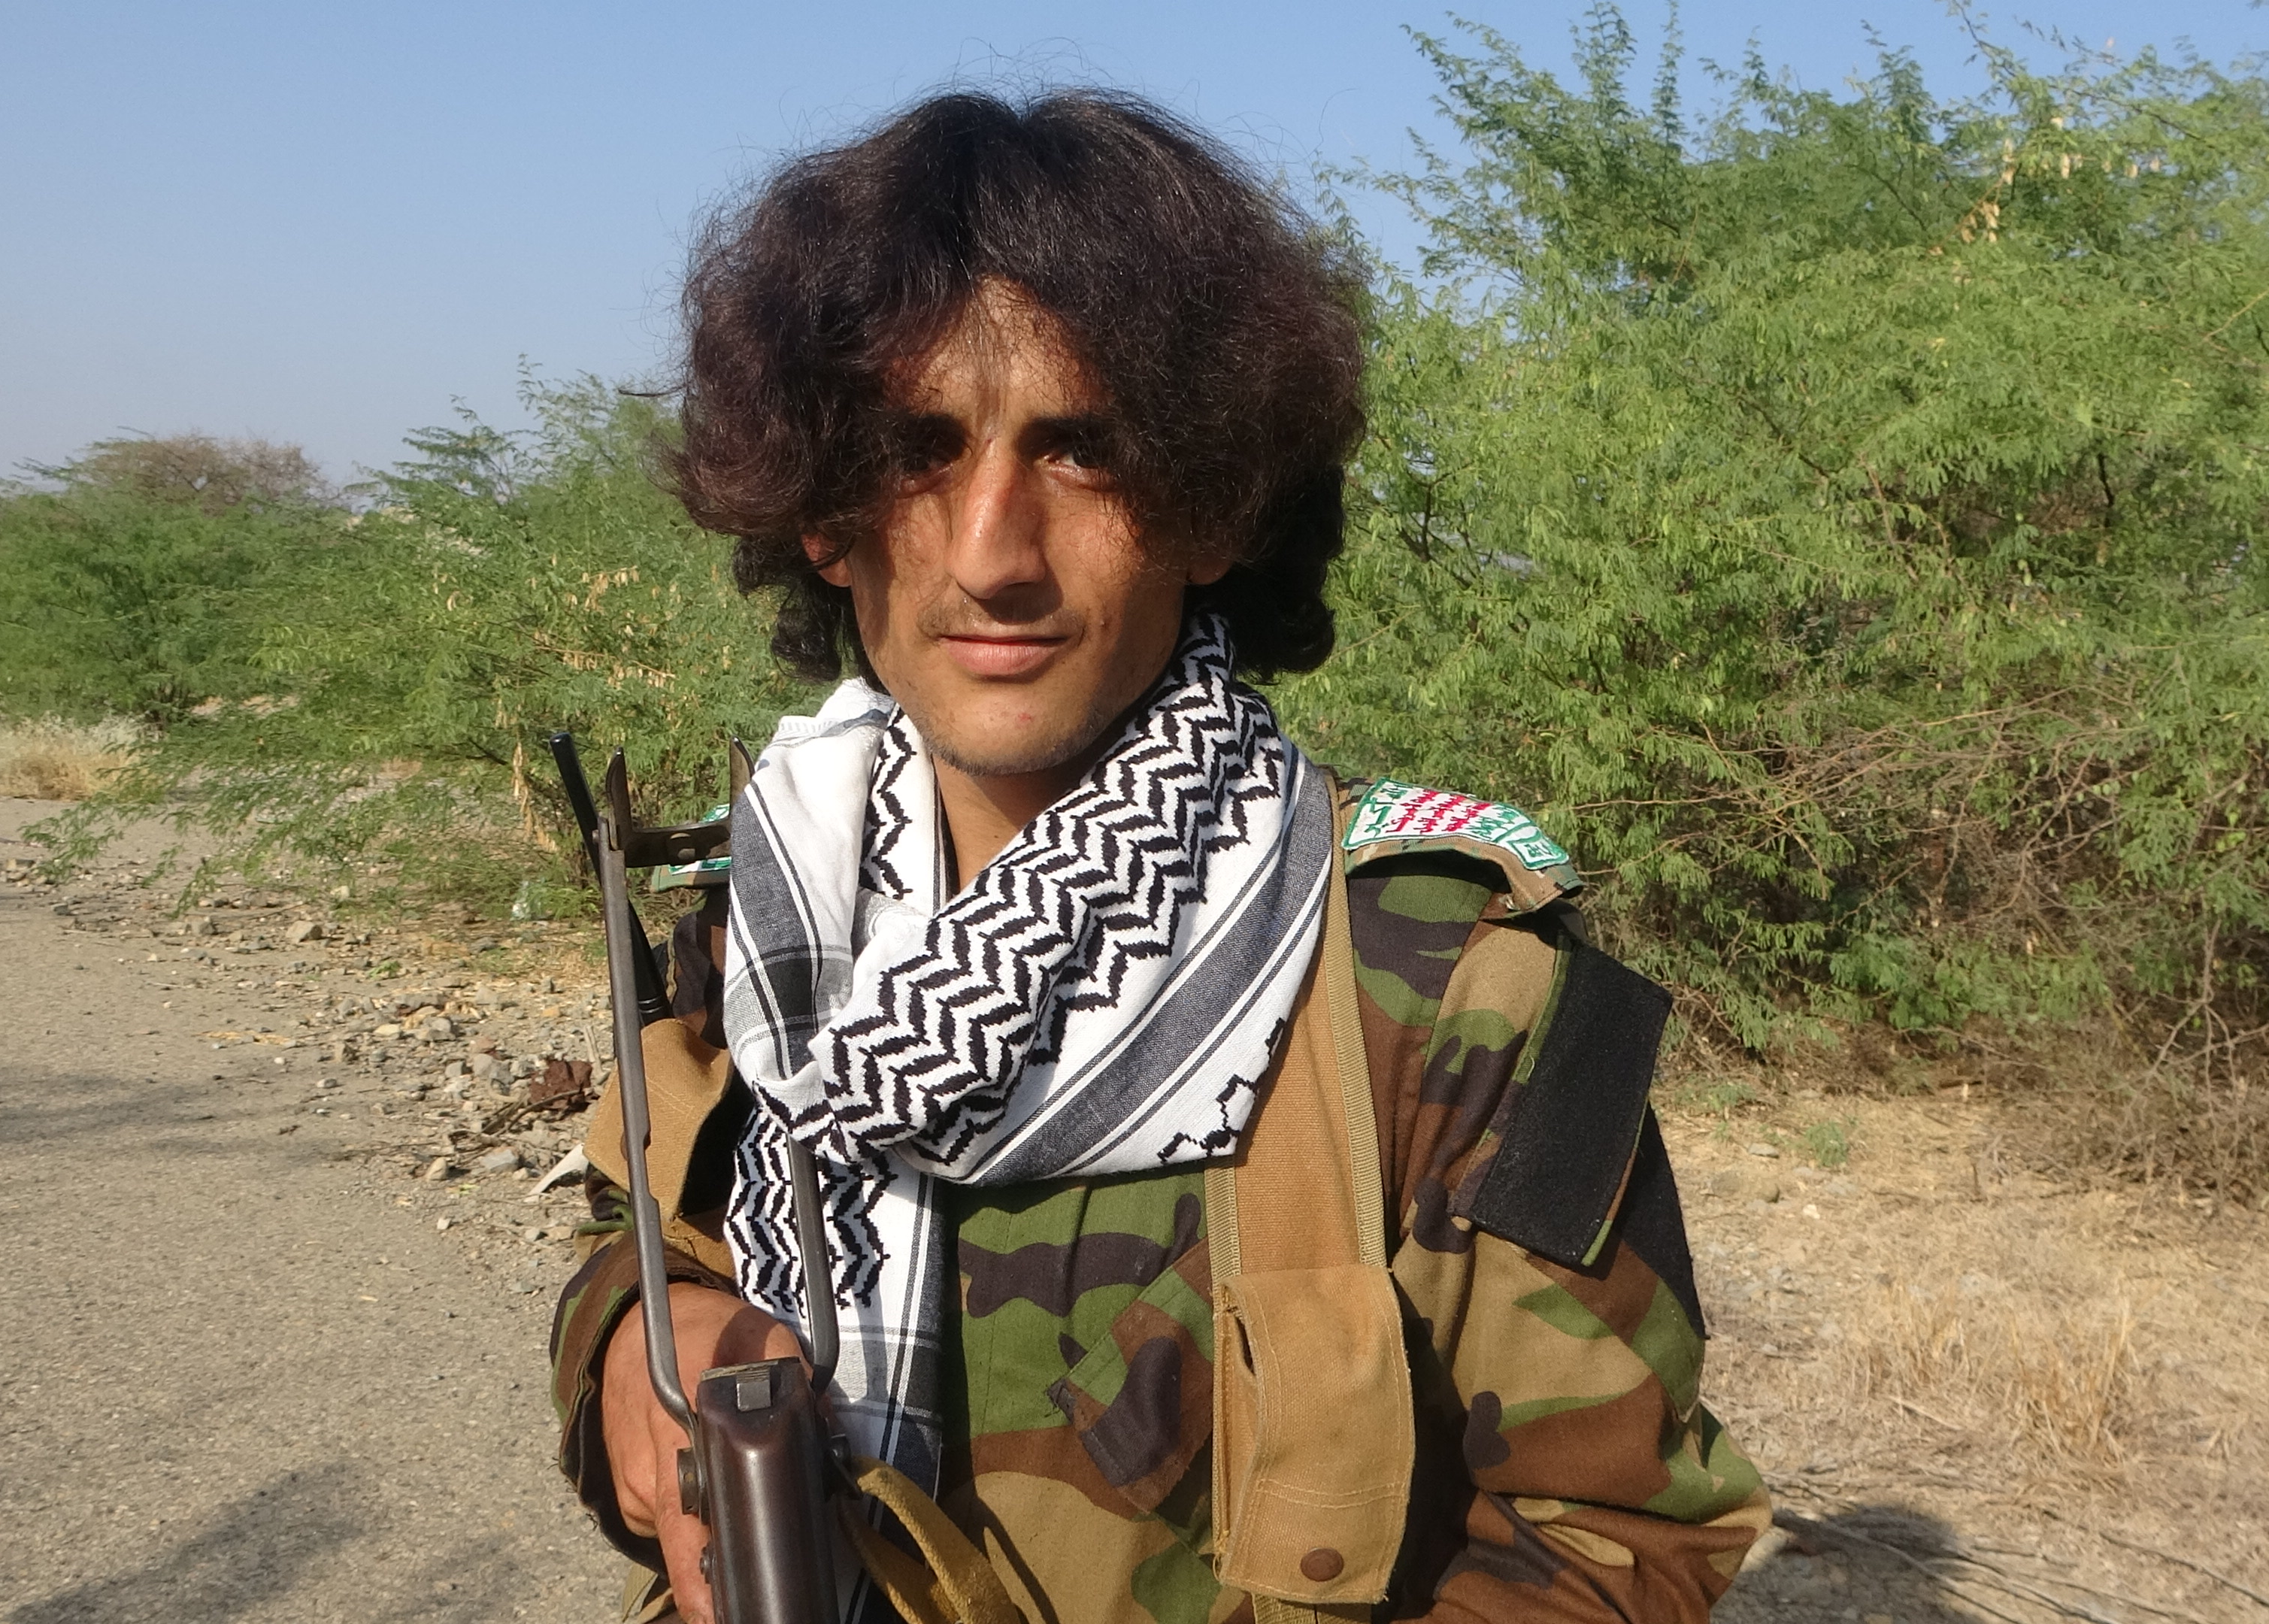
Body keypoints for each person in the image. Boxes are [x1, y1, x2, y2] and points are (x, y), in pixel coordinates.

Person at [549, 89, 1768, 1624]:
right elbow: (637, 1238)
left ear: (1209, 509)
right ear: (823, 519)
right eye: (920, 451)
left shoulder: (1445, 993)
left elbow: (1619, 1543)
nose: (992, 553)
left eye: (1083, 450)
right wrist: (640, 1349)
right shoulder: (766, 919)